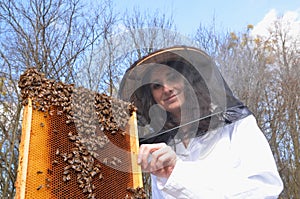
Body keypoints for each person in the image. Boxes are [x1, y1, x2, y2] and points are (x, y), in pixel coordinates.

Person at [119, 46, 283, 198]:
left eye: (172, 77)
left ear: (188, 80)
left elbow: (265, 189)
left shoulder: (236, 124)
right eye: (156, 85)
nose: (166, 88)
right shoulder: (162, 148)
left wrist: (177, 172)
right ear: (151, 97)